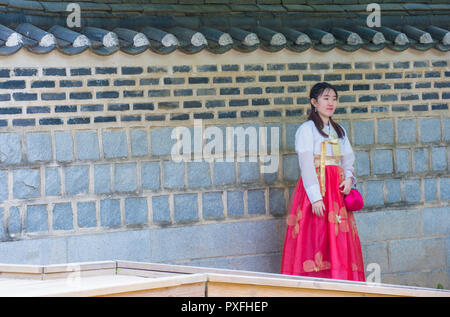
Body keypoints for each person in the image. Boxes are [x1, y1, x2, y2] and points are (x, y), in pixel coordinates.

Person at [280, 82, 365, 281]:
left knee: (338, 234)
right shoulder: (306, 130)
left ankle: (340, 280)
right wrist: (315, 197)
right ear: (314, 102)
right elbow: (307, 164)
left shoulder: (339, 130)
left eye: (334, 99)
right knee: (315, 234)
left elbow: (348, 159)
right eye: (326, 98)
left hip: (336, 190)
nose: (331, 103)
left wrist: (349, 178)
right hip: (316, 189)